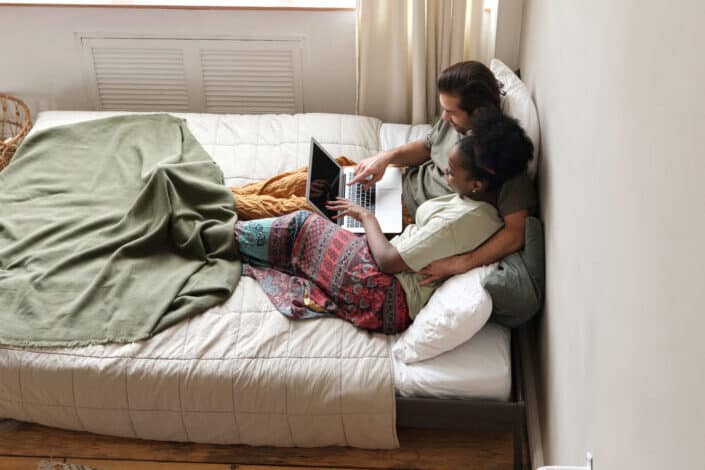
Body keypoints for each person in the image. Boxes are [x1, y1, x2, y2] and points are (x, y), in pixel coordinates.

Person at [230, 61, 536, 285]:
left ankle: (220, 204)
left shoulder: (502, 161)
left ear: (479, 112)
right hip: (396, 181)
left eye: (451, 111)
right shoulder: (455, 123)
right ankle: (228, 195)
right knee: (310, 179)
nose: (444, 117)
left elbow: (515, 232)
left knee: (307, 207)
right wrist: (383, 159)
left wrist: (460, 264)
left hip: (404, 216)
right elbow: (427, 146)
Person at [234, 109, 533, 334]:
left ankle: (225, 233)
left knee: (304, 223)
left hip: (383, 293)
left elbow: (388, 261)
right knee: (314, 199)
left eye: (451, 173)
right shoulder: (478, 201)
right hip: (388, 279)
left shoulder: (463, 220)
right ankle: (232, 210)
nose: (444, 174)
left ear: (478, 184)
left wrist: (366, 217)